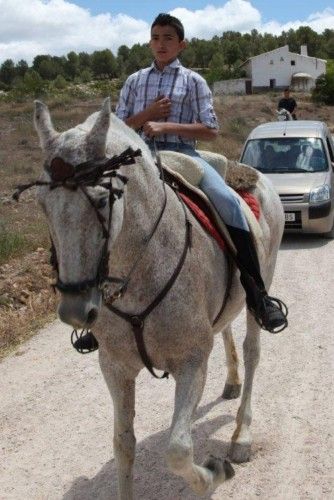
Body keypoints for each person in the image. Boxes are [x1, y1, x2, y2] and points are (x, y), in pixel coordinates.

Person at [74, 13, 288, 353]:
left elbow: (211, 129)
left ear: (181, 44)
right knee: (98, 212)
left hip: (184, 156)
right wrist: (147, 116)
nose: (161, 44)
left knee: (230, 205)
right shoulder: (134, 81)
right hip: (137, 159)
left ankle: (258, 294)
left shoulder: (193, 82)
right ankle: (98, 310)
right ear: (149, 42)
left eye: (168, 38)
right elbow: (117, 127)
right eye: (156, 37)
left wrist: (167, 127)